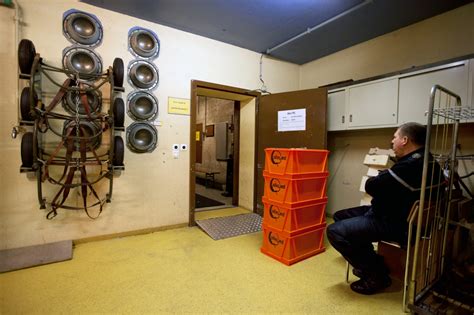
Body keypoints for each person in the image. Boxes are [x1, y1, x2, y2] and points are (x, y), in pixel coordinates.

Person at [326, 122, 443, 295]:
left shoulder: (409, 166)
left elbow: (371, 185)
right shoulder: (429, 161)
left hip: (393, 222)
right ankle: (372, 263)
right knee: (339, 215)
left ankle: (376, 275)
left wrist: (384, 176)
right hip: (399, 215)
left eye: (395, 137)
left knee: (335, 231)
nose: (392, 140)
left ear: (405, 140)